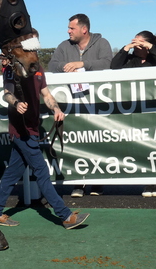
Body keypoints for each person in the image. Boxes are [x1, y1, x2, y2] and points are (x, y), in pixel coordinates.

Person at [0, 53, 90, 229]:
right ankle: (65, 216)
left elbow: (47, 95)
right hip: (21, 131)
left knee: (12, 173)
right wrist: (16, 103)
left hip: (32, 129)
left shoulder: (38, 69)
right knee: (42, 172)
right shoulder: (10, 70)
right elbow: (7, 94)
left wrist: (56, 109)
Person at [48, 14, 112, 197]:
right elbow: (53, 65)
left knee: (98, 141)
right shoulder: (63, 46)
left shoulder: (102, 43)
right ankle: (79, 182)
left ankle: (97, 182)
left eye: (72, 28)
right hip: (73, 103)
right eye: (68, 28)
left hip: (98, 103)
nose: (68, 31)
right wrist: (68, 67)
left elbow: (108, 63)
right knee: (77, 141)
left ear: (84, 29)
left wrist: (83, 64)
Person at [111, 30, 156, 198]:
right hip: (137, 110)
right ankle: (147, 182)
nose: (135, 45)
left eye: (138, 42)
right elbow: (114, 66)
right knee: (143, 146)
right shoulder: (132, 60)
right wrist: (126, 48)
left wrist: (150, 48)